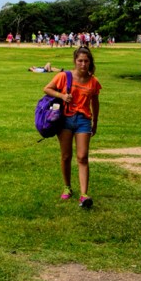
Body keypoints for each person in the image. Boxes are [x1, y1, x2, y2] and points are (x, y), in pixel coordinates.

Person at [43, 46, 101, 208]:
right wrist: (62, 95)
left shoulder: (93, 81)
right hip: (65, 120)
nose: (83, 64)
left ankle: (84, 194)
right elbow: (47, 88)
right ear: (75, 61)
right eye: (80, 61)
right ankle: (67, 186)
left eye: (86, 61)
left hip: (83, 120)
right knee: (66, 156)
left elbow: (95, 103)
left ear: (90, 62)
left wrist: (95, 121)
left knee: (82, 156)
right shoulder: (64, 76)